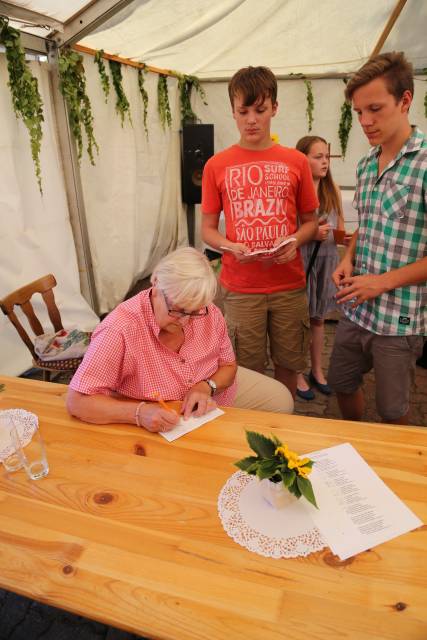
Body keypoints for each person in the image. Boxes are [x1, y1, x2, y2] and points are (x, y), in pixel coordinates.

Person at [67, 247, 293, 432]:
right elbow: (77, 401)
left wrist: (206, 387)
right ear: (155, 283)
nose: (185, 321)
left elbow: (227, 366)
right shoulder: (118, 330)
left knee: (281, 400)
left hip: (212, 396)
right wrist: (139, 413)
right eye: (177, 310)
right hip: (160, 413)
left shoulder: (208, 311)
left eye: (194, 312)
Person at [201, 66, 319, 399]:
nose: (252, 119)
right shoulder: (216, 166)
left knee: (288, 366)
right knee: (245, 370)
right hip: (241, 287)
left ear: (275, 108)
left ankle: (284, 432)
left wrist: (295, 239)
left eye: (260, 110)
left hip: (289, 284)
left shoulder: (296, 161)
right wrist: (230, 246)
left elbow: (310, 221)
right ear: (233, 113)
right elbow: (207, 230)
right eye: (244, 111)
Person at [328, 51, 427, 425]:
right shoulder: (368, 164)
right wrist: (347, 257)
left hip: (398, 320)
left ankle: (392, 471)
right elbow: (366, 227)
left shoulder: (425, 164)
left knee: (393, 411)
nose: (366, 122)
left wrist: (380, 283)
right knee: (341, 381)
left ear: (405, 101)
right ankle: (356, 446)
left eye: (375, 109)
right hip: (356, 308)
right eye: (359, 113)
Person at [295, 136, 346, 400]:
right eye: (318, 156)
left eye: (326, 156)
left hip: (326, 261)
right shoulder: (294, 191)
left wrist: (342, 237)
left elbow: (341, 228)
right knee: (297, 321)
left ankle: (317, 370)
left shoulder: (331, 189)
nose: (325, 161)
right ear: (302, 158)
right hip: (302, 263)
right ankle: (296, 374)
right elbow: (288, 232)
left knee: (318, 319)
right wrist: (311, 233)